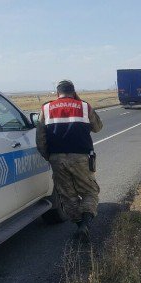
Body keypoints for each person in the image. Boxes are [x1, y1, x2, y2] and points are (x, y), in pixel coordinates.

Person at [36, 80, 103, 241]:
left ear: (58, 93)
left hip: (57, 158)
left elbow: (40, 139)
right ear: (73, 92)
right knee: (89, 191)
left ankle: (79, 225)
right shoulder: (84, 106)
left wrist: (49, 157)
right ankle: (85, 225)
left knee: (67, 195)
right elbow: (98, 127)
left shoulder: (46, 108)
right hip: (81, 157)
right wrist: (80, 103)